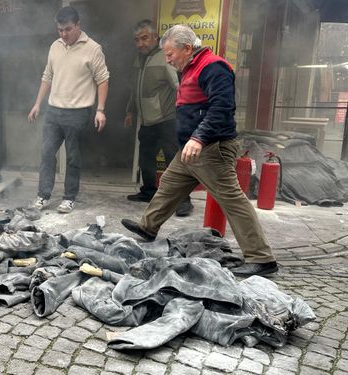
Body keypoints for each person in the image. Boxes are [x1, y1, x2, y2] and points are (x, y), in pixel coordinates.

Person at [121, 25, 278, 276]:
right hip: (192, 148)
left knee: (232, 200)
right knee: (169, 185)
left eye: (170, 54)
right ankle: (147, 228)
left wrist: (199, 137)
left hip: (211, 147)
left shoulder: (213, 67)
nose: (168, 59)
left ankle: (261, 257)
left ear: (186, 48)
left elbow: (222, 107)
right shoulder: (190, 67)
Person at [28, 6, 109, 214]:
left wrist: (100, 109)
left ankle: (69, 198)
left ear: (78, 25)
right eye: (60, 30)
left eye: (68, 29)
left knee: (73, 157)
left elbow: (103, 79)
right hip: (53, 111)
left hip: (78, 112)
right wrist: (37, 103)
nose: (63, 34)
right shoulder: (55, 46)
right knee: (46, 153)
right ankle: (43, 195)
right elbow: (48, 76)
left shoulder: (93, 48)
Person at [124, 19, 193, 217]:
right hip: (147, 122)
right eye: (137, 40)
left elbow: (178, 87)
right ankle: (148, 192)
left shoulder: (165, 58)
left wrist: (185, 115)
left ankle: (183, 201)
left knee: (174, 162)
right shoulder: (139, 59)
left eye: (144, 38)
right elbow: (134, 89)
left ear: (155, 37)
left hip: (167, 120)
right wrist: (130, 111)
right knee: (146, 159)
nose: (140, 43)